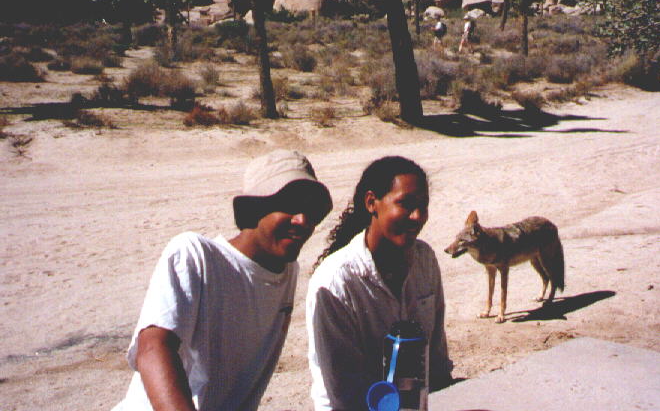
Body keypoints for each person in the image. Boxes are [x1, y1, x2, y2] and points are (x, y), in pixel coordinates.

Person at [113, 149, 333, 411]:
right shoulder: (196, 255)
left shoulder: (287, 271)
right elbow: (153, 348)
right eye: (290, 206)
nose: (303, 221)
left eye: (311, 210)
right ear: (257, 206)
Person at [306, 156, 453, 411]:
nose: (417, 216)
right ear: (372, 202)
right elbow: (344, 392)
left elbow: (436, 359)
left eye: (423, 206)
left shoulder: (425, 260)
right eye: (405, 205)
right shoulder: (336, 281)